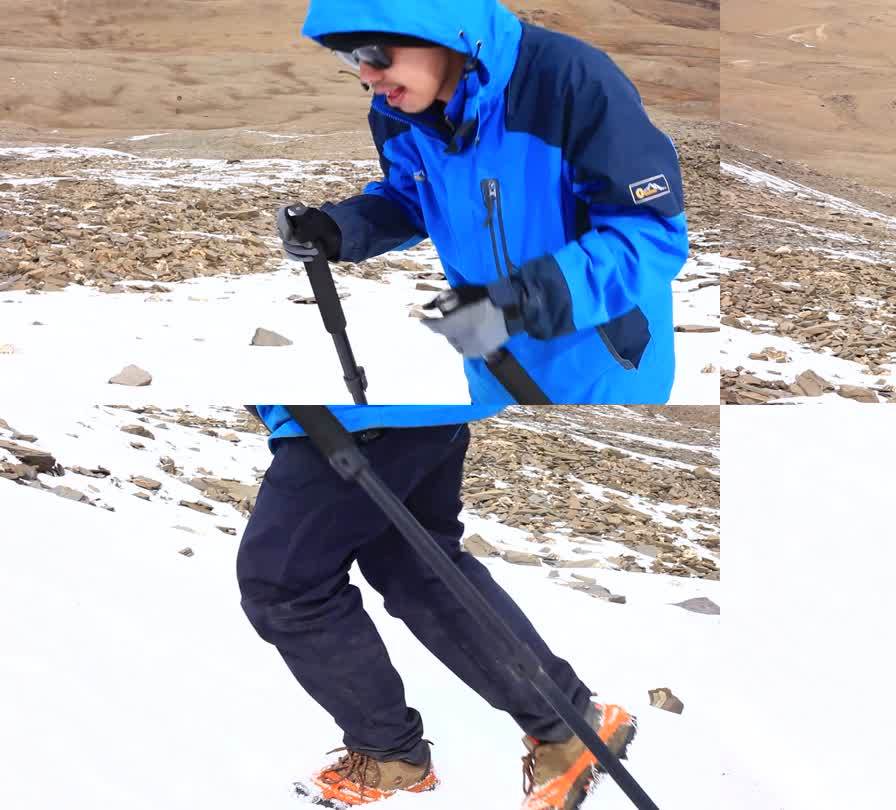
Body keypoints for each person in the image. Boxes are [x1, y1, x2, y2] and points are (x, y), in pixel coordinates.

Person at [278, 0, 689, 405]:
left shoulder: (571, 82)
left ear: (439, 21)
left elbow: (651, 234)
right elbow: (414, 198)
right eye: (350, 57)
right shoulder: (397, 110)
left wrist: (523, 300)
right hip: (496, 372)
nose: (367, 76)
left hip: (605, 374)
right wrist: (342, 229)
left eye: (374, 53)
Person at [238, 405, 637, 809]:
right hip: (423, 407)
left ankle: (389, 753)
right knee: (416, 564)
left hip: (346, 414)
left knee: (286, 586)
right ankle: (567, 722)